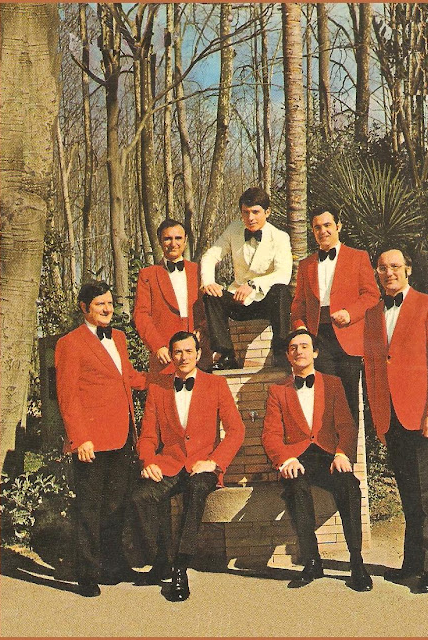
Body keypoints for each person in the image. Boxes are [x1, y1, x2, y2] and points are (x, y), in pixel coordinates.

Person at [364, 249, 428, 594]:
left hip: (422, 417)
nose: (389, 272)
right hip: (392, 419)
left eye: (395, 266)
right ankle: (412, 565)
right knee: (408, 495)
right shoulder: (373, 314)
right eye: (382, 268)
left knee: (427, 497)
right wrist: (379, 421)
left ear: (408, 270)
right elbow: (373, 369)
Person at [131, 331, 245, 601]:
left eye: (189, 351)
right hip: (169, 464)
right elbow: (148, 436)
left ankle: (180, 568)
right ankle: (162, 560)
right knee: (140, 498)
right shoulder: (158, 388)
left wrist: (214, 462)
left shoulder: (216, 385)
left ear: (198, 354)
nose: (183, 357)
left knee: (195, 493)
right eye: (178, 352)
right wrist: (148, 461)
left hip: (202, 466)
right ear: (171, 356)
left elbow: (236, 430)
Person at [55, 281, 147, 597]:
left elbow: (128, 377)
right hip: (90, 442)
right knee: (89, 509)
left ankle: (113, 566)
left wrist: (162, 378)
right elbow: (67, 396)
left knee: (116, 505)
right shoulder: (70, 343)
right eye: (99, 304)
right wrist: (80, 438)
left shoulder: (118, 337)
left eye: (109, 303)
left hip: (121, 436)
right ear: (84, 308)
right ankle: (86, 573)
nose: (107, 309)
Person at [262, 329, 373, 592]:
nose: (299, 351)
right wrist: (285, 460)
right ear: (288, 356)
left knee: (349, 486)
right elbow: (270, 435)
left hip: (328, 456)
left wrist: (342, 453)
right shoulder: (277, 391)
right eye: (293, 348)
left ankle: (356, 562)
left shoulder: (333, 384)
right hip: (297, 458)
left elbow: (346, 425)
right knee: (296, 488)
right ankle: (312, 561)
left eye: (304, 346)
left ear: (315, 353)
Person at [291, 207, 379, 421]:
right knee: (323, 399)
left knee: (348, 402)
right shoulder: (305, 265)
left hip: (347, 337)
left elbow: (372, 295)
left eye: (327, 225)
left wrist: (350, 313)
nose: (323, 231)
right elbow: (299, 304)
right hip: (318, 338)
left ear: (338, 226)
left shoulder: (358, 257)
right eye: (317, 227)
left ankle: (348, 444)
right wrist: (301, 329)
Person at [201, 186, 292, 370]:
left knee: (282, 291)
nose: (250, 218)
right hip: (238, 302)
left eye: (255, 212)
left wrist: (253, 284)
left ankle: (281, 351)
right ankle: (226, 355)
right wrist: (209, 282)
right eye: (246, 212)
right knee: (211, 295)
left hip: (265, 302)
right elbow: (210, 256)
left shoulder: (280, 237)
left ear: (267, 212)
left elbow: (283, 274)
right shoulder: (234, 229)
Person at [134, 219, 206, 379]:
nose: (173, 244)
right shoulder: (148, 275)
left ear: (185, 240)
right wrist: (157, 346)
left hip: (199, 354)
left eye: (178, 238)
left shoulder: (199, 271)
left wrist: (202, 330)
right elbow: (141, 315)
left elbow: (209, 308)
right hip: (165, 355)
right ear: (160, 241)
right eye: (167, 239)